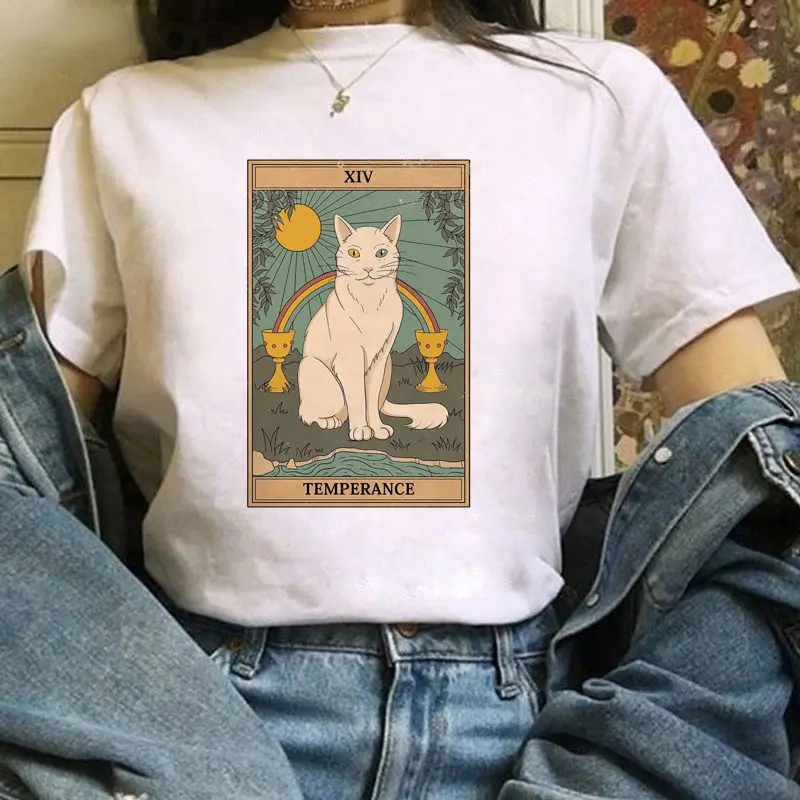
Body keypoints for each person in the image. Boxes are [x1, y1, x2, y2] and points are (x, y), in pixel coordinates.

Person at [21, 0, 799, 797]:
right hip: (204, 709)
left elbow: (766, 471)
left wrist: (659, 740)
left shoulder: (597, 97)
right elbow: (22, 481)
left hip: (518, 711)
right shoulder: (124, 118)